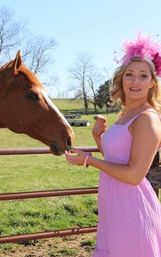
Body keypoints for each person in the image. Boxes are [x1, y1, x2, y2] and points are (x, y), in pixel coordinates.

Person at [65, 31, 161, 257]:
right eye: (129, 74)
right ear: (121, 78)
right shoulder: (126, 114)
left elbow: (135, 174)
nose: (135, 81)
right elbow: (119, 160)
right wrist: (100, 140)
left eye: (143, 76)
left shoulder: (147, 119)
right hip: (114, 204)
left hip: (131, 208)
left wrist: (89, 160)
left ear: (152, 83)